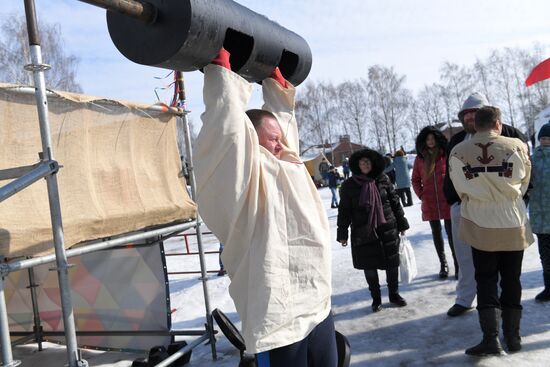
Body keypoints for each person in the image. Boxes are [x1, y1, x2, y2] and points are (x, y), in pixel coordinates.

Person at [193, 49, 336, 366]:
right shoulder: (242, 178)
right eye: (271, 140)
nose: (281, 145)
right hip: (279, 322)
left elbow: (283, 133)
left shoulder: (290, 165)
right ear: (250, 142)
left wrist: (277, 90)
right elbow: (225, 133)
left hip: (317, 305)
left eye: (281, 140)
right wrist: (223, 80)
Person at [449, 106, 532, 355]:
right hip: (512, 221)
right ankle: (513, 336)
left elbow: (459, 187)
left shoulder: (457, 151)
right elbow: (525, 181)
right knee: (512, 279)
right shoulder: (517, 146)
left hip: (479, 223)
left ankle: (491, 338)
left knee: (485, 280)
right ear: (498, 123)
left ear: (477, 125)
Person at [337, 148, 410, 313]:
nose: (365, 165)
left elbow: (395, 202)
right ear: (356, 165)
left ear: (373, 163)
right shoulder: (349, 185)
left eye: (368, 162)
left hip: (388, 228)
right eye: (362, 162)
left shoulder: (382, 179)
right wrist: (342, 234)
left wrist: (402, 223)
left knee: (392, 264)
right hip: (363, 232)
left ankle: (394, 294)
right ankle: (376, 299)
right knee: (369, 267)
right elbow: (344, 211)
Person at [412, 126, 457, 279]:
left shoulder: (446, 155)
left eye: (433, 139)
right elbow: (415, 180)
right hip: (430, 201)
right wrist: (422, 195)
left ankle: (457, 264)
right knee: (436, 233)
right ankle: (443, 264)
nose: (430, 142)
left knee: (452, 234)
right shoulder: (420, 158)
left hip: (446, 199)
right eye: (428, 139)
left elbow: (454, 175)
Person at [529, 122, 550, 302]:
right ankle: (548, 288)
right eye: (542, 138)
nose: (545, 141)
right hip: (540, 216)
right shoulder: (532, 158)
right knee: (545, 257)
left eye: (548, 138)